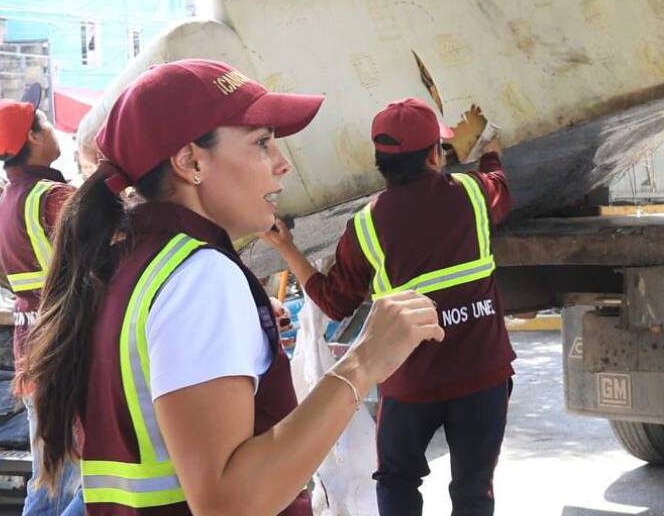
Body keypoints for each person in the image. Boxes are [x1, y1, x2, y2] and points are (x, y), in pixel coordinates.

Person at [23, 59, 445, 515]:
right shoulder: (200, 276)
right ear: (190, 161)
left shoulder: (130, 261)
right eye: (262, 143)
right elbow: (228, 503)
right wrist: (363, 363)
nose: (282, 164)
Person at [265, 98, 514, 516]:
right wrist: (490, 152)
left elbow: (334, 301)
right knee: (473, 491)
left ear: (379, 162)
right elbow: (499, 187)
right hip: (482, 374)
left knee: (397, 482)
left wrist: (288, 248)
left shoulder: (366, 226)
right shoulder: (472, 194)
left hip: (411, 383)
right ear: (436, 154)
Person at [0, 101, 83, 515]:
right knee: (79, 484)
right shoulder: (52, 197)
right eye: (45, 123)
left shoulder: (8, 201)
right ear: (32, 137)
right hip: (68, 355)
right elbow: (116, 249)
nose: (53, 130)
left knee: (50, 480)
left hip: (32, 355)